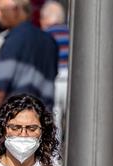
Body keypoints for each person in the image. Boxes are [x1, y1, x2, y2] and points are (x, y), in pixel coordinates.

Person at [0, 0, 57, 147]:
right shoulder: (48, 40)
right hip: (43, 121)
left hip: (17, 123)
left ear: (16, 10)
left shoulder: (12, 40)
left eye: (1, 9)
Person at [39, 1, 68, 130]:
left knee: (54, 120)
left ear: (46, 18)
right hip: (70, 80)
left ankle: (55, 150)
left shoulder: (44, 35)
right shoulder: (71, 32)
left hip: (53, 80)